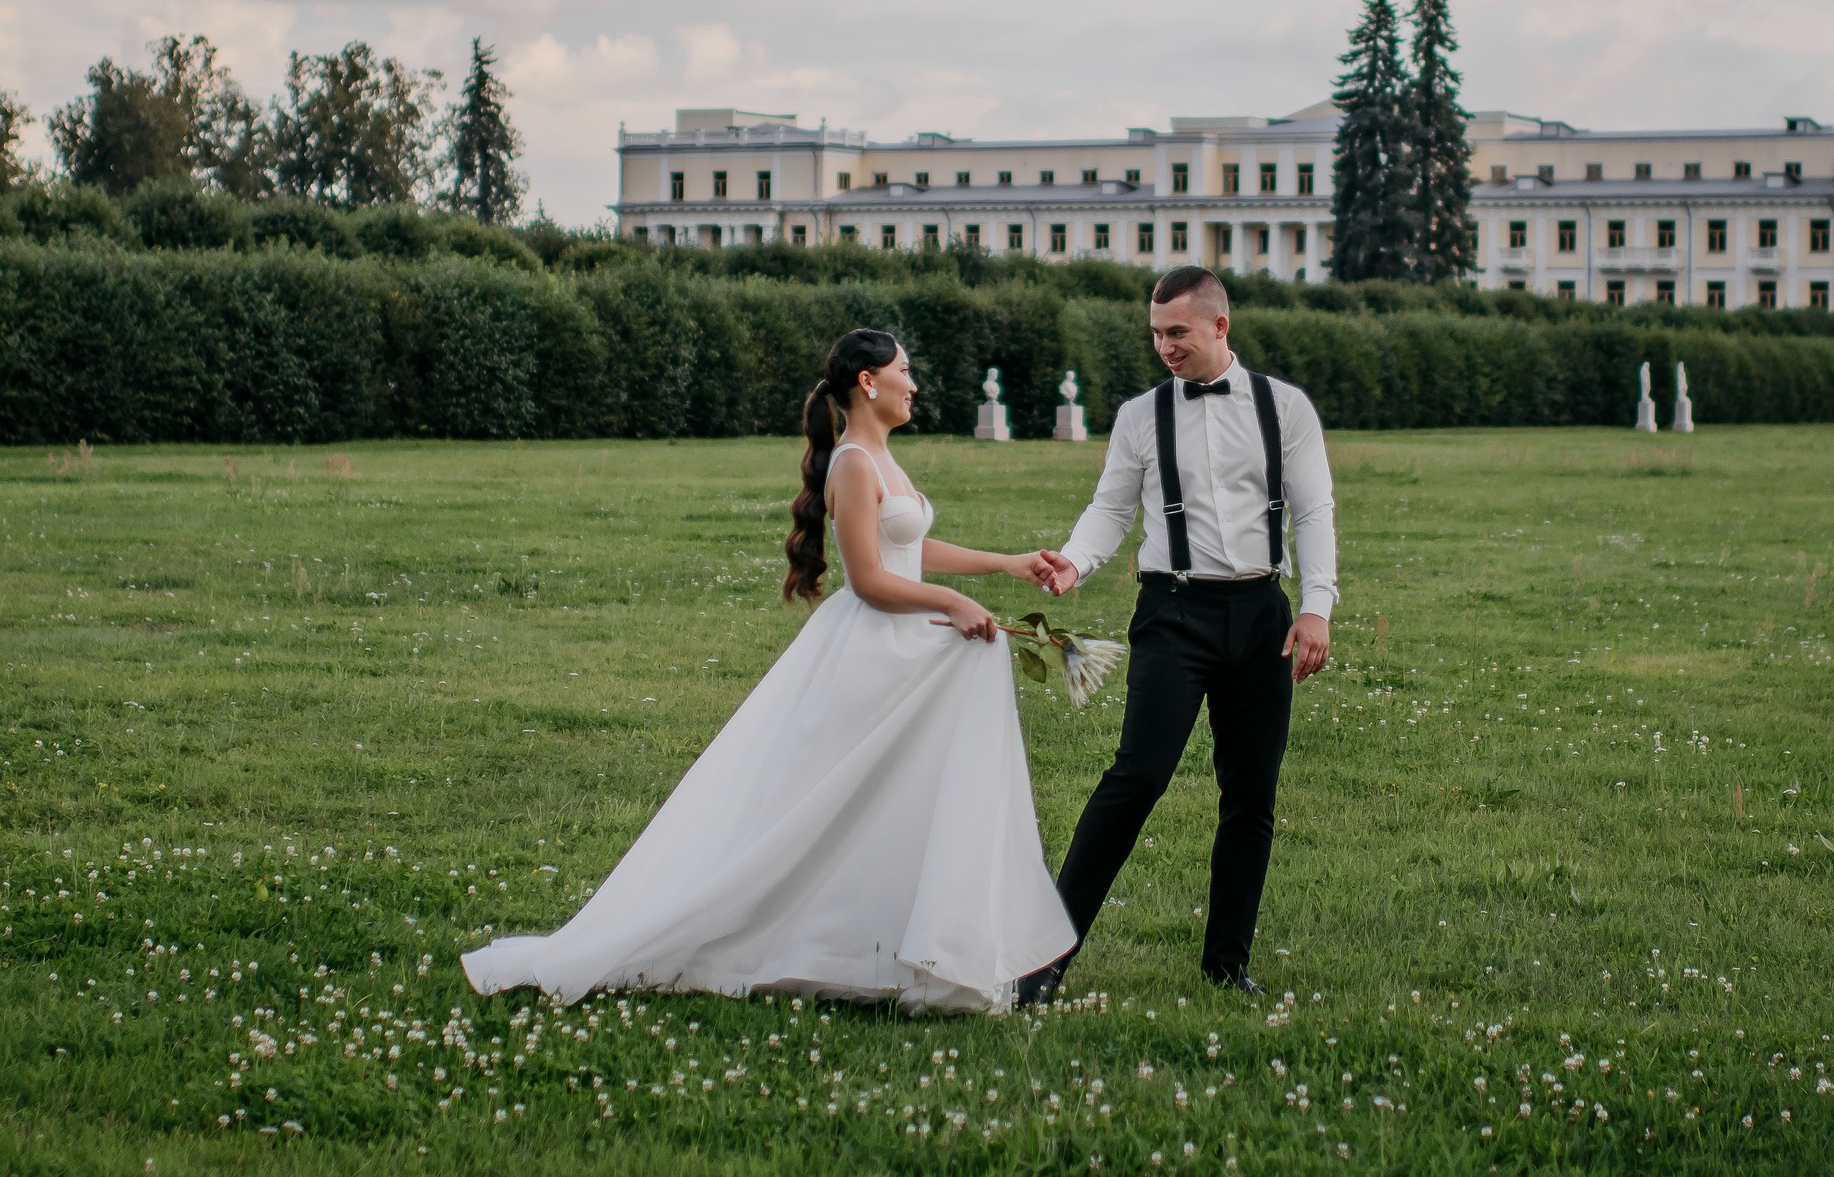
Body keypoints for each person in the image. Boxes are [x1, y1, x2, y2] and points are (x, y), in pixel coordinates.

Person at [462, 327, 1077, 1012]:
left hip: (902, 639)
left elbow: (910, 544)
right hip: (872, 645)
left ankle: (912, 942)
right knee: (824, 802)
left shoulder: (882, 457)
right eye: (905, 371)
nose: (915, 383)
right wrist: (953, 601)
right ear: (868, 382)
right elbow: (869, 577)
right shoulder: (852, 460)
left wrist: (1005, 563)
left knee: (899, 787)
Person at [1015, 266, 1336, 1002]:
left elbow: (1315, 512)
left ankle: (1228, 965)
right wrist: (1076, 559)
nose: (1164, 345)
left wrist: (1316, 605)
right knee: (1136, 778)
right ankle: (1045, 963)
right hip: (1172, 614)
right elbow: (1110, 508)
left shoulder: (1284, 408)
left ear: (1220, 326)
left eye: (1177, 332)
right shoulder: (1139, 415)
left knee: (1251, 793)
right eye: (1156, 332)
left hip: (1261, 616)